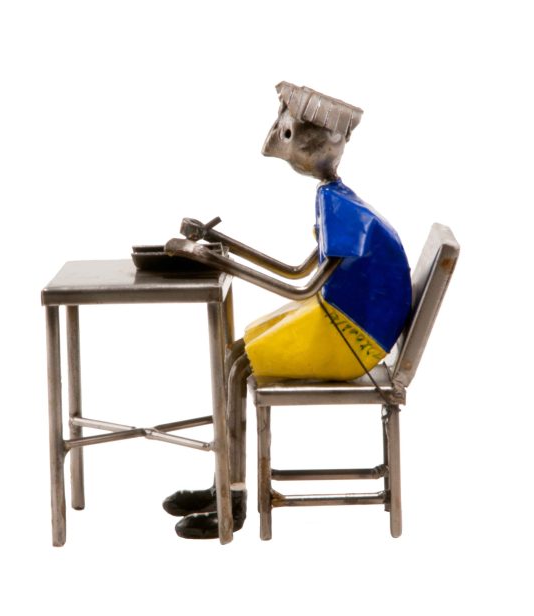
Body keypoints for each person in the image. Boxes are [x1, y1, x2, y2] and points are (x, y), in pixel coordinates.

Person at [163, 82, 412, 539]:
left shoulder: (339, 205)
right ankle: (224, 488)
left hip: (352, 339)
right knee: (237, 352)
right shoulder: (336, 197)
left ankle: (232, 504)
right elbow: (300, 272)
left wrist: (215, 261)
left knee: (240, 364)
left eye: (288, 131)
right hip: (346, 323)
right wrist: (222, 244)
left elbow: (302, 288)